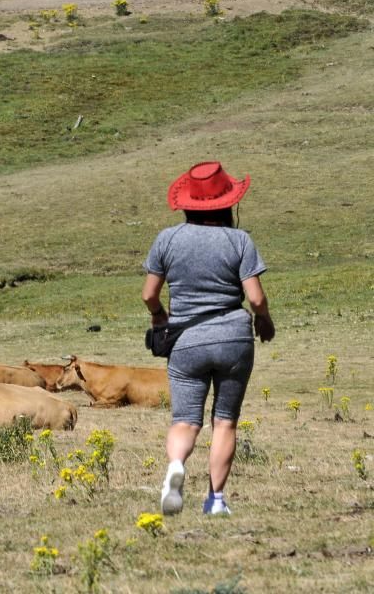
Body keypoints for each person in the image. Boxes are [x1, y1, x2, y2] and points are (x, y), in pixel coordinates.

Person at [141, 161, 275, 516]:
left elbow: (149, 294)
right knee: (225, 420)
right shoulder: (239, 240)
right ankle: (216, 501)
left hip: (185, 340)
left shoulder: (167, 239)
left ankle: (176, 467)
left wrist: (159, 316)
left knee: (185, 420)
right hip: (233, 338)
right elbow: (256, 298)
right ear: (227, 203)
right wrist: (264, 321)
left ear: (187, 203)